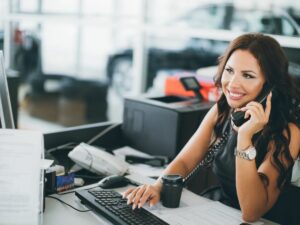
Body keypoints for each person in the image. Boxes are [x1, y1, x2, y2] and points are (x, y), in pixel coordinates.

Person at [123, 33, 300, 224]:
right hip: (221, 214)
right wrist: (158, 186)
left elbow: (251, 212)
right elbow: (184, 161)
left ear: (270, 86)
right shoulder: (223, 110)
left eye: (248, 75)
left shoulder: (287, 133)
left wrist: (244, 139)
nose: (232, 84)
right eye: (230, 70)